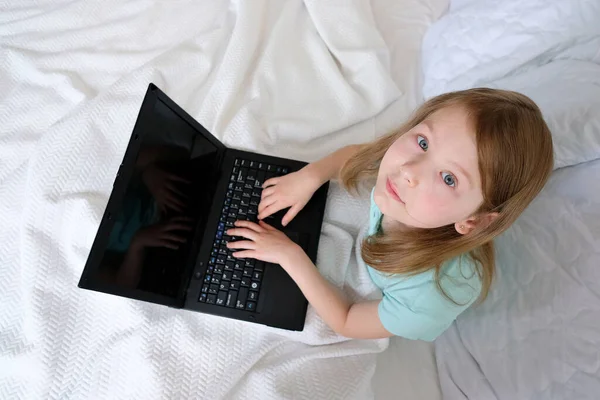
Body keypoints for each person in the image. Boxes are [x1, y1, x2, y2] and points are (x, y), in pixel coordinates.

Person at [225, 88, 554, 340]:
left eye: (449, 178)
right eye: (424, 142)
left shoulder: (431, 298)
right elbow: (361, 155)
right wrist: (310, 176)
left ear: (474, 220)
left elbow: (348, 320)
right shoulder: (404, 174)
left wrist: (289, 254)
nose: (410, 169)